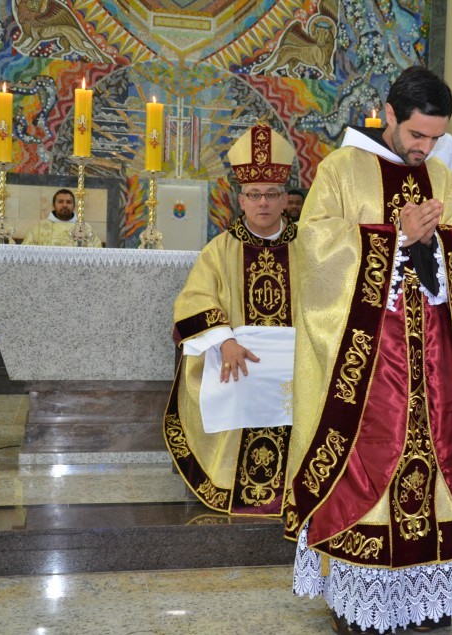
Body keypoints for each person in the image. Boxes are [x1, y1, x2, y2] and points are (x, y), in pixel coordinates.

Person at [285, 66, 452, 633]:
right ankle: (358, 597)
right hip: (369, 365)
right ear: (390, 114)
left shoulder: (443, 178)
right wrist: (391, 236)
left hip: (430, 365)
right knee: (366, 466)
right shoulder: (342, 169)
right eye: (416, 135)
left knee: (431, 465)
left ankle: (421, 596)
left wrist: (439, 242)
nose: (425, 148)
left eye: (436, 138)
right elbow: (315, 248)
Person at [163, 124, 298, 517]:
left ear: (285, 198)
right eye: (254, 195)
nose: (263, 203)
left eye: (271, 194)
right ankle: (233, 478)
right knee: (233, 376)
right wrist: (224, 341)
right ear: (241, 198)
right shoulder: (220, 250)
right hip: (239, 356)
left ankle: (300, 483)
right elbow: (194, 301)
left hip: (297, 362)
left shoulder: (307, 248)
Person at [22, 189, 103, 247]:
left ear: (74, 206)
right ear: (53, 205)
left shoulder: (85, 228)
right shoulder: (38, 228)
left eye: (69, 202)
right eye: (60, 202)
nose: (65, 205)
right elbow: (25, 252)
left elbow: (97, 252)